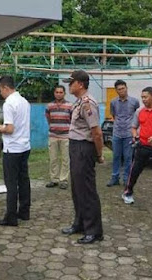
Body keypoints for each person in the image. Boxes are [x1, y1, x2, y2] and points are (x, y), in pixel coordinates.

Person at [61, 70, 104, 244]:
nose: (68, 86)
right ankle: (80, 223)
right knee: (77, 189)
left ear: (80, 84)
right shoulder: (78, 102)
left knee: (87, 190)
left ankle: (94, 231)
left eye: (71, 83)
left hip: (84, 148)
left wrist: (99, 154)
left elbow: (97, 132)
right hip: (75, 146)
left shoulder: (88, 103)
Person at [0, 76, 31, 227]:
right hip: (25, 146)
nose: (0, 93)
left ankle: (11, 217)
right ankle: (24, 211)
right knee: (24, 180)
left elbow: (9, 128)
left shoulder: (9, 103)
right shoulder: (24, 102)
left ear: (6, 88)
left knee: (11, 183)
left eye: (0, 90)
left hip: (12, 148)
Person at [107, 80, 140, 187]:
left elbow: (137, 116)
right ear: (116, 90)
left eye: (123, 88)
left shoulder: (134, 102)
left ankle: (127, 178)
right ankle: (115, 177)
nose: (121, 91)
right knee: (116, 156)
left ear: (126, 88)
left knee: (127, 157)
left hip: (129, 133)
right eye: (119, 89)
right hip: (117, 132)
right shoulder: (113, 102)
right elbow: (114, 115)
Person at [45, 85, 73, 189]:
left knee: (66, 159)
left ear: (64, 93)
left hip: (66, 136)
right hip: (53, 135)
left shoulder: (70, 106)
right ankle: (54, 179)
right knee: (53, 159)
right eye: (57, 92)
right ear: (54, 93)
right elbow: (48, 118)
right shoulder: (50, 106)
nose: (59, 94)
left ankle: (63, 180)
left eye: (61, 92)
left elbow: (72, 120)